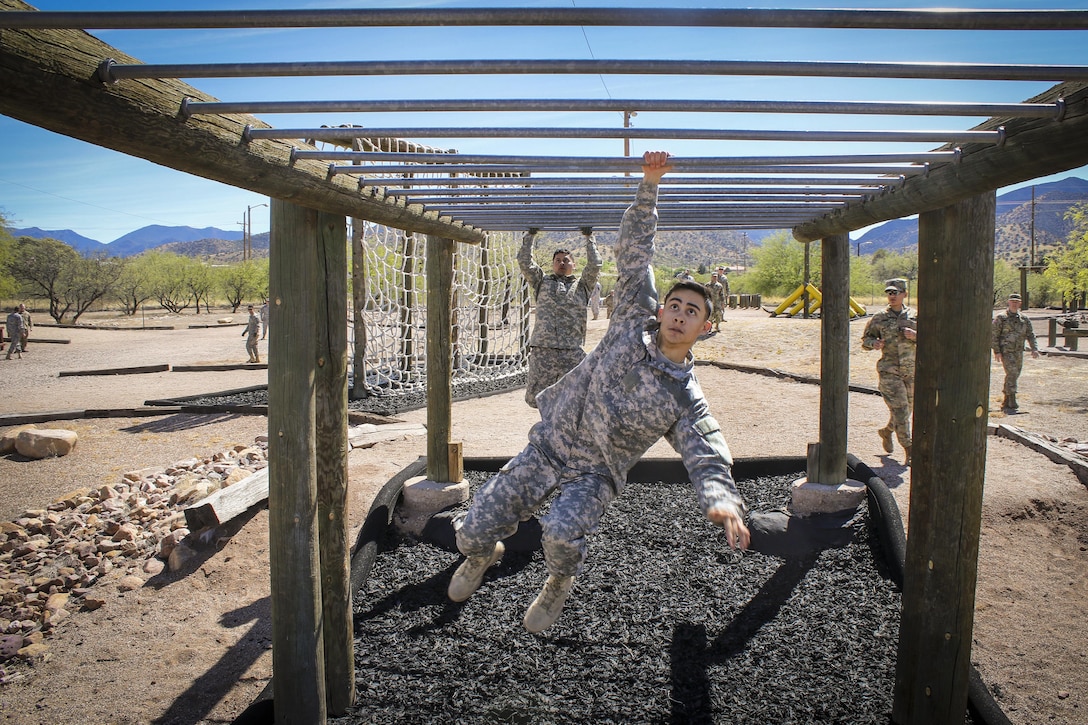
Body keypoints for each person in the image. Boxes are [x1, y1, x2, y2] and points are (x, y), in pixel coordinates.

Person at [447, 151, 750, 634]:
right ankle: (482, 556)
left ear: (705, 326)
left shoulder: (684, 396)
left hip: (595, 473)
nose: (678, 314)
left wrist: (722, 498)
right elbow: (635, 254)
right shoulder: (631, 322)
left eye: (691, 311)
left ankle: (558, 583)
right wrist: (649, 185)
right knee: (471, 530)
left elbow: (707, 452)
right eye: (674, 304)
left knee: (561, 535)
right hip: (549, 446)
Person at [518, 224, 602, 408]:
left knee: (575, 396)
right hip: (543, 349)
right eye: (558, 260)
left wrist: (589, 238)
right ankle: (546, 430)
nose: (562, 263)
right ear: (553, 264)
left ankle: (568, 431)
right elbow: (525, 263)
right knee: (537, 398)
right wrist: (531, 236)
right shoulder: (541, 281)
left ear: (574, 265)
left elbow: (595, 265)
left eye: (566, 260)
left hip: (571, 350)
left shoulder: (583, 285)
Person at [861, 278, 917, 465]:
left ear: (904, 294)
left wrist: (915, 336)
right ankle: (909, 450)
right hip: (889, 371)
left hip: (910, 372)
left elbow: (932, 339)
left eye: (896, 292)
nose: (892, 296)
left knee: (906, 410)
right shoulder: (879, 318)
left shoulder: (915, 317)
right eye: (889, 293)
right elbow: (865, 340)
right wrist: (874, 343)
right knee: (901, 410)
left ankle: (887, 431)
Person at [991, 292, 1039, 412]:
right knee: (1012, 372)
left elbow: (1030, 334)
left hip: (1018, 351)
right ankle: (1012, 399)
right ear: (1008, 302)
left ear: (1020, 304)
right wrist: (997, 351)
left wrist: (1034, 348)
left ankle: (1006, 399)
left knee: (1016, 373)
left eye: (1016, 302)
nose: (1014, 304)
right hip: (1006, 351)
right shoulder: (1001, 318)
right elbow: (994, 335)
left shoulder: (1024, 319)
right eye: (1012, 302)